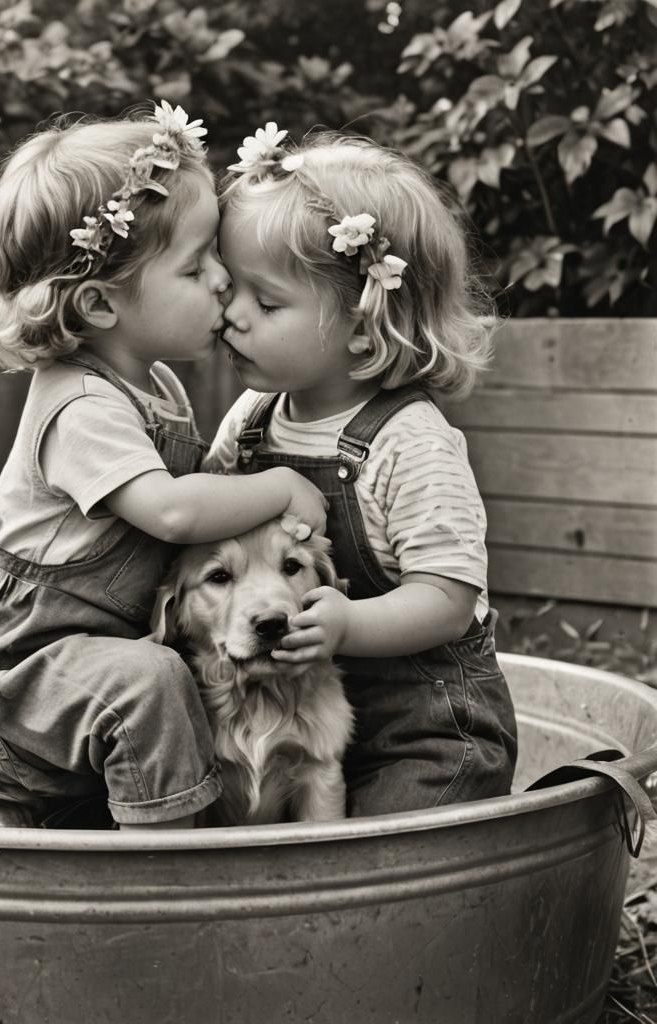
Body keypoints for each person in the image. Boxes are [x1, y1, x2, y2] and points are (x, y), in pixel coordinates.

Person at [0, 104, 329, 830]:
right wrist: (285, 485)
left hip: (78, 685)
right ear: (101, 303)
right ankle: (167, 882)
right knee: (153, 676)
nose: (223, 281)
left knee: (184, 670)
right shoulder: (78, 406)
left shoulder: (157, 389)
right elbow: (172, 512)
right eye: (196, 267)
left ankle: (169, 835)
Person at [207, 126, 518, 817]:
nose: (229, 316)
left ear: (362, 325)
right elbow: (207, 522)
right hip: (300, 709)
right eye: (230, 289)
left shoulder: (411, 444)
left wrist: (348, 624)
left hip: (425, 729)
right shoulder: (253, 417)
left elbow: (447, 598)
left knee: (388, 849)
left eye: (265, 302)